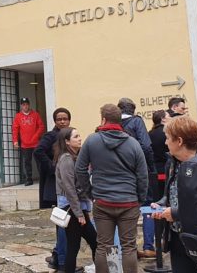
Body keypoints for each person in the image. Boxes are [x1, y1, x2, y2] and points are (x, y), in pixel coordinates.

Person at [75, 103, 147, 273]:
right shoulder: (133, 143)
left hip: (102, 200)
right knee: (129, 247)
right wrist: (140, 198)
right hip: (129, 201)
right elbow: (143, 175)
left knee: (104, 246)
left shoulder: (92, 140)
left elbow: (80, 169)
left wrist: (89, 193)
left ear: (103, 119)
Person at [151, 115, 197, 273]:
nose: (165, 142)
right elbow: (170, 191)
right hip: (176, 235)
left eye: (167, 138)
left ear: (179, 141)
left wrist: (174, 212)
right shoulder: (172, 162)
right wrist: (161, 204)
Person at [117, 97, 157, 259]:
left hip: (122, 173)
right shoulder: (137, 122)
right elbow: (146, 145)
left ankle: (129, 248)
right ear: (133, 109)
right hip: (139, 171)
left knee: (127, 209)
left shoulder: (115, 125)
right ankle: (148, 246)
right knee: (147, 206)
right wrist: (150, 167)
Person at [55, 126, 97, 273]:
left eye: (79, 135)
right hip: (72, 209)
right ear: (67, 142)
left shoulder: (76, 157)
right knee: (75, 246)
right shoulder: (66, 159)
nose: (80, 138)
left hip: (79, 208)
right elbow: (69, 188)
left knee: (91, 242)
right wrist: (79, 213)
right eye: (76, 136)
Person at [37, 108, 73, 270]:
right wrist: (52, 168)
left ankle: (57, 255)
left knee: (65, 222)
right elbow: (38, 152)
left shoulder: (71, 134)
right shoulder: (50, 136)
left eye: (65, 118)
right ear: (55, 121)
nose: (62, 121)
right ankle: (60, 258)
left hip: (69, 184)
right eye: (59, 119)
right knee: (62, 221)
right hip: (57, 185)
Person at [13, 97, 44, 187]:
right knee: (27, 163)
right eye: (23, 104)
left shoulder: (35, 115)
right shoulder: (18, 116)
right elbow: (15, 129)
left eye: (26, 104)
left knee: (39, 161)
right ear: (21, 106)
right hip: (24, 144)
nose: (25, 106)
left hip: (36, 143)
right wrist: (15, 141)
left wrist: (35, 136)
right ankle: (29, 179)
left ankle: (42, 178)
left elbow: (41, 127)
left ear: (29, 105)